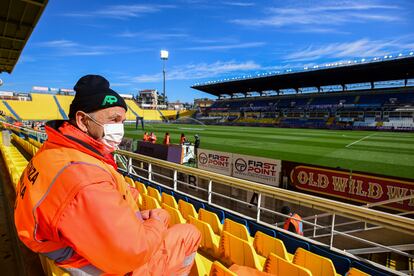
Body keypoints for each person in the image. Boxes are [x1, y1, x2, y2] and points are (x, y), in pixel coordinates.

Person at [14, 75, 201, 275]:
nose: (119, 128)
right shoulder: (85, 177)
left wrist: (136, 216)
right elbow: (133, 253)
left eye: (122, 120)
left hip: (59, 245)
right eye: (114, 120)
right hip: (90, 261)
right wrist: (156, 220)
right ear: (83, 120)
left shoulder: (54, 149)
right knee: (188, 233)